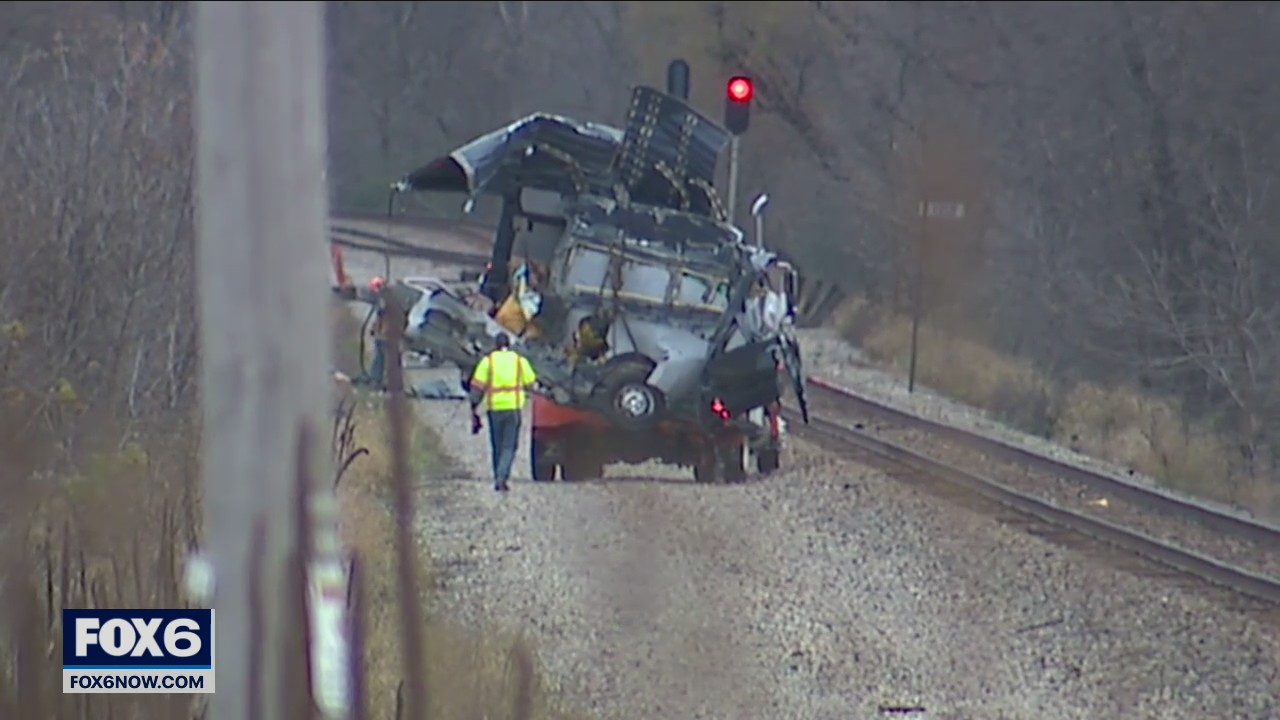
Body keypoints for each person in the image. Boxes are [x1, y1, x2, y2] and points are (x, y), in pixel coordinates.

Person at [468, 333, 537, 491]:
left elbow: (477, 387)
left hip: (494, 410)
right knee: (509, 446)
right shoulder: (519, 361)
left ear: (495, 344)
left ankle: (498, 475)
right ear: (509, 344)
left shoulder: (488, 361)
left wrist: (474, 407)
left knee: (497, 445)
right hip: (513, 409)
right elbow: (531, 383)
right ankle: (501, 477)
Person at [366, 276, 389, 390]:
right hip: (382, 335)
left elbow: (382, 318)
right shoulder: (383, 301)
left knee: (382, 359)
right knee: (380, 358)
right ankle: (377, 380)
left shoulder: (384, 302)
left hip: (384, 335)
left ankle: (378, 381)